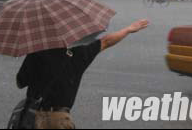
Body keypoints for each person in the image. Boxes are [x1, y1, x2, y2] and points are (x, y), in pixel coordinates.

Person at [16, 19, 149, 129]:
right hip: (59, 119)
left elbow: (20, 82)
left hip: (33, 117)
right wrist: (128, 29)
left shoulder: (37, 52)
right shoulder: (78, 53)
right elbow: (106, 41)